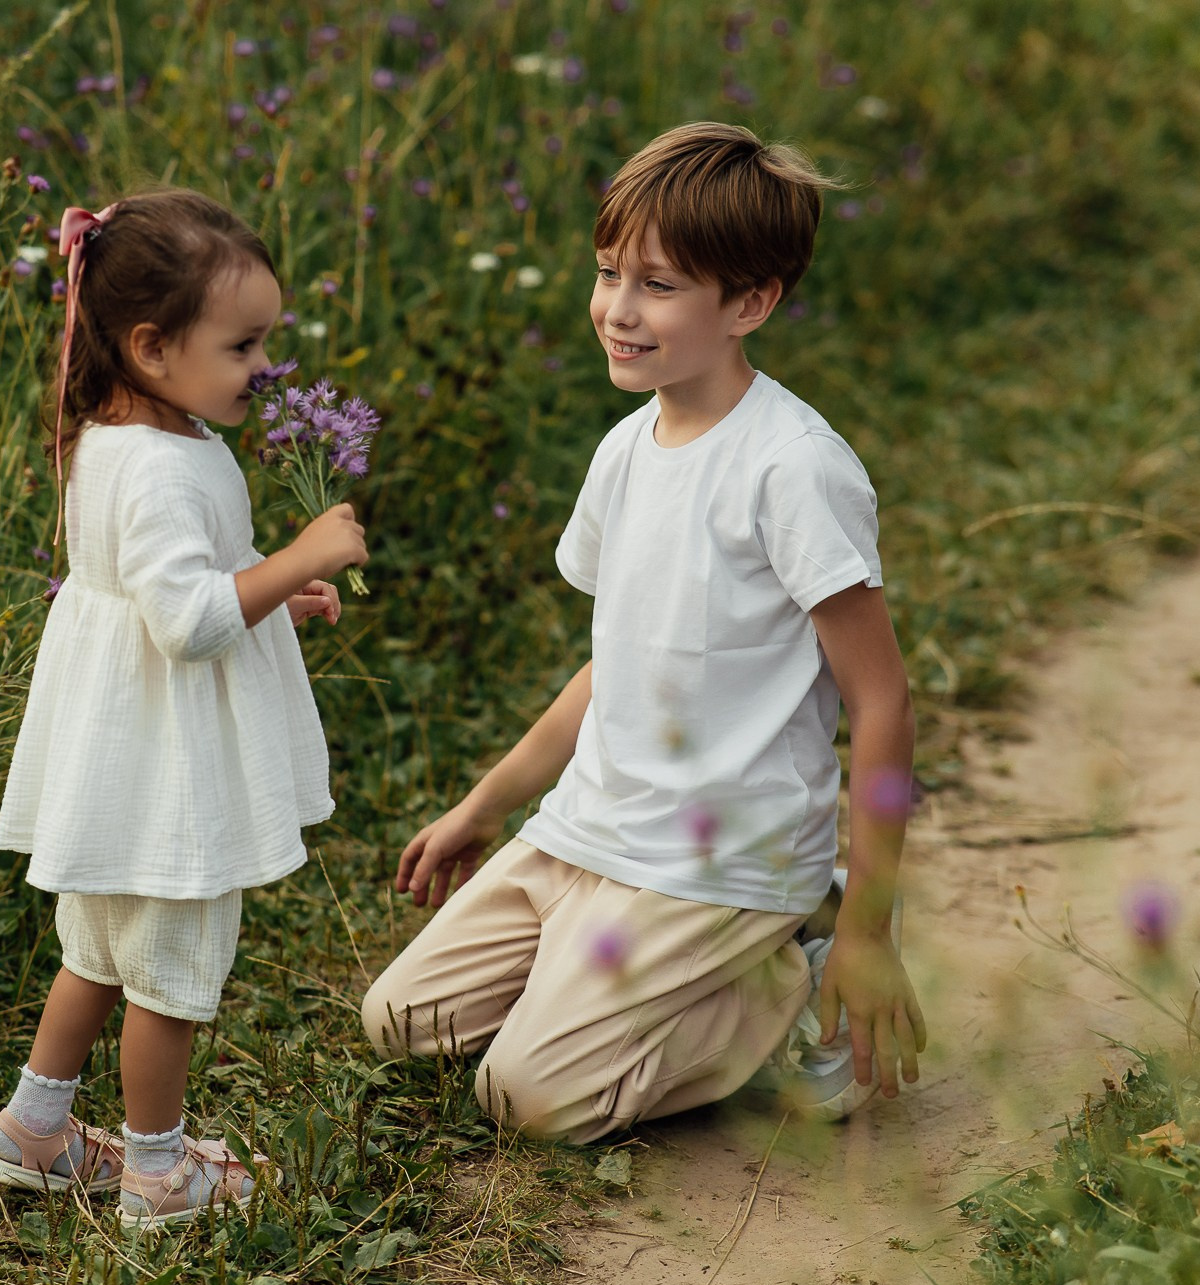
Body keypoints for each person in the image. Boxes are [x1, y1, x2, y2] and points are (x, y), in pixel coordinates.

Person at [360, 123, 925, 1143]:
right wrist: (485, 804)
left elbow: (880, 698)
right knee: (402, 1020)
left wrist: (872, 929)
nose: (617, 310)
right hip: (592, 828)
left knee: (524, 1097)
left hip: (718, 859)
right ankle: (620, 975)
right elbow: (610, 665)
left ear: (747, 303)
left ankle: (793, 969)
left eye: (657, 286)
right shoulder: (624, 449)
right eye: (607, 272)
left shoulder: (791, 468)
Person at [0, 187, 368, 1226]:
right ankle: (156, 1174)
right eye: (242, 346)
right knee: (168, 974)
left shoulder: (130, 439)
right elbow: (189, 621)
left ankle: (34, 1127)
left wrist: (279, 581)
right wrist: (301, 553)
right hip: (167, 773)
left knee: (96, 952)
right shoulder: (158, 465)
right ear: (151, 347)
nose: (264, 368)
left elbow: (189, 574)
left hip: (118, 755)